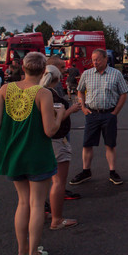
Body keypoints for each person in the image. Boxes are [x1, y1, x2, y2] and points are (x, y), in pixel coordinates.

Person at [0, 52, 64, 255]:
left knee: (22, 202)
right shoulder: (43, 93)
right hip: (37, 155)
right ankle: (34, 253)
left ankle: (22, 250)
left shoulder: (5, 90)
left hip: (13, 154)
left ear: (23, 68)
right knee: (36, 204)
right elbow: (50, 130)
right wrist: (60, 115)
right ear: (43, 71)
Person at [69, 49, 128, 186]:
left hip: (109, 114)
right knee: (87, 144)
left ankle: (113, 172)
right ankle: (86, 171)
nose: (94, 62)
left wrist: (115, 112)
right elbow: (80, 90)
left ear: (105, 59)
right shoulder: (87, 74)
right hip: (92, 114)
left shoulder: (116, 74)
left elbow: (123, 94)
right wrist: (83, 107)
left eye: (97, 59)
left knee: (110, 144)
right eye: (93, 60)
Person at [41, 65, 81, 229]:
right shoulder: (50, 94)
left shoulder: (36, 92)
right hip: (57, 140)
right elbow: (54, 120)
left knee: (42, 180)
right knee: (58, 181)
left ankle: (42, 210)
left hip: (42, 142)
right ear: (57, 79)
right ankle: (56, 219)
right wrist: (71, 109)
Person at [46, 57, 81, 200]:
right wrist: (71, 110)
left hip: (60, 133)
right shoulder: (49, 90)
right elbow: (55, 117)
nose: (65, 70)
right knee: (57, 172)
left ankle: (59, 191)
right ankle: (56, 203)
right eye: (61, 67)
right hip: (57, 136)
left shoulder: (55, 87)